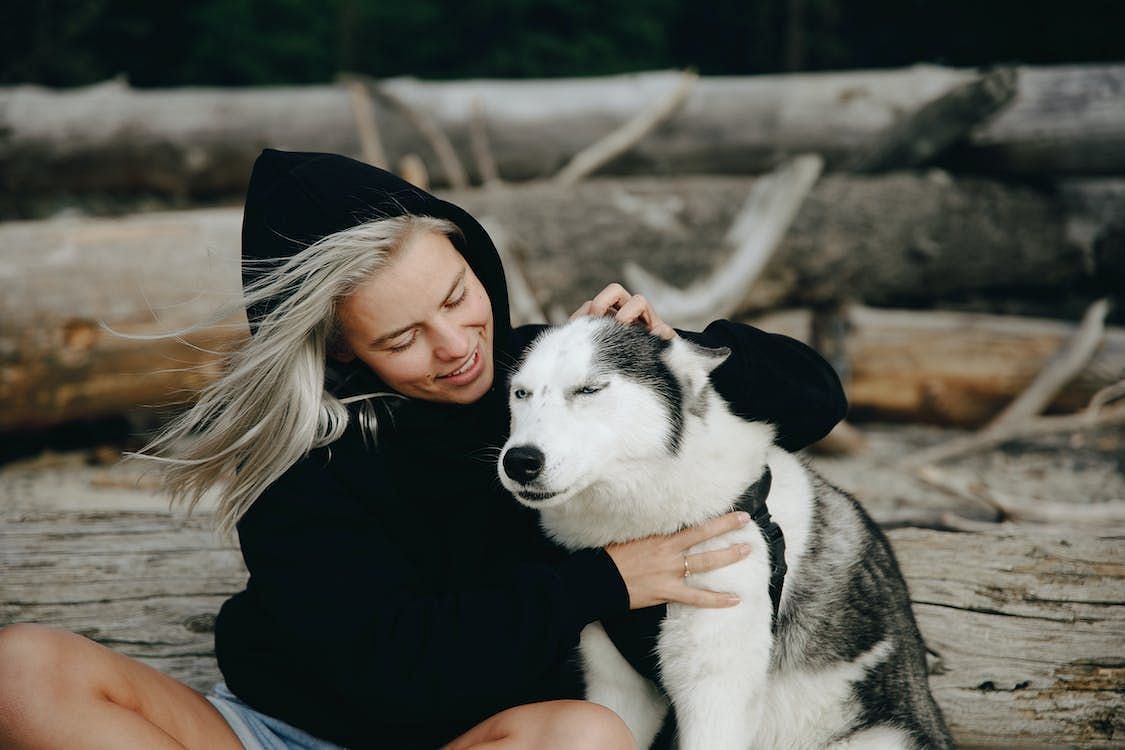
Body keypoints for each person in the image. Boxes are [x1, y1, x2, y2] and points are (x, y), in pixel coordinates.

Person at [0, 150, 847, 749]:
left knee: (587, 739)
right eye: (403, 336)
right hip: (275, 735)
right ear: (340, 349)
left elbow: (812, 398)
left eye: (457, 294)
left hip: (483, 741)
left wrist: (670, 350)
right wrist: (603, 581)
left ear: (472, 255)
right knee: (23, 668)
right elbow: (391, 669)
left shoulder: (543, 377)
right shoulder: (304, 465)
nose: (455, 345)